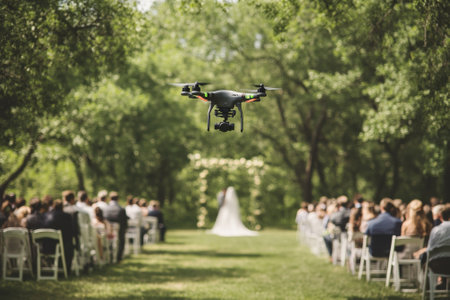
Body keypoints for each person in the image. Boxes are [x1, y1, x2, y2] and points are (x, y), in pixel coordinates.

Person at [44, 199, 75, 274]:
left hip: (46, 245)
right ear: (62, 207)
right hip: (61, 245)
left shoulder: (46, 215)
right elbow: (71, 230)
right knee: (70, 243)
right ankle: (67, 268)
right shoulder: (67, 216)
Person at [102, 191, 128, 262]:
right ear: (118, 199)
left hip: (107, 232)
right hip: (118, 231)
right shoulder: (121, 209)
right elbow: (124, 223)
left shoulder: (105, 209)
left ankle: (109, 256)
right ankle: (118, 257)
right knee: (122, 237)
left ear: (110, 199)